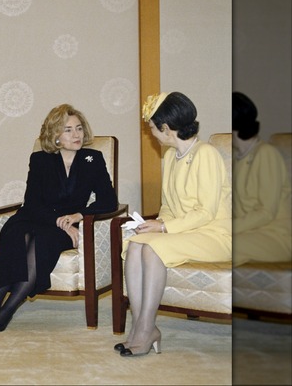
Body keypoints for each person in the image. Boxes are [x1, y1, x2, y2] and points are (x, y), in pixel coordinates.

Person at [0, 104, 118, 332]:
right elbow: (32, 203)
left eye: (78, 128)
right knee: (17, 236)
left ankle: (8, 308)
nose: (76, 134)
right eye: (68, 130)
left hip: (65, 226)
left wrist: (78, 216)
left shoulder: (92, 159)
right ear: (55, 135)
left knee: (40, 243)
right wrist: (59, 221)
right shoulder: (40, 160)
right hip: (36, 218)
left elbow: (109, 201)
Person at [115, 91, 231, 357]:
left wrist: (164, 229)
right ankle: (140, 326)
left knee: (152, 248)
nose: (152, 134)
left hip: (215, 233)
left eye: (153, 128)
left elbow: (206, 212)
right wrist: (154, 223)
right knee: (135, 244)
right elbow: (167, 205)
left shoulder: (207, 154)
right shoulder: (169, 157)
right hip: (184, 231)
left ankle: (145, 330)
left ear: (166, 129)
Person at [232, 91, 291, 265]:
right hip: (250, 232)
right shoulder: (239, 158)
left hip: (276, 235)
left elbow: (266, 212)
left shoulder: (266, 154)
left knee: (225, 246)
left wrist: (229, 228)